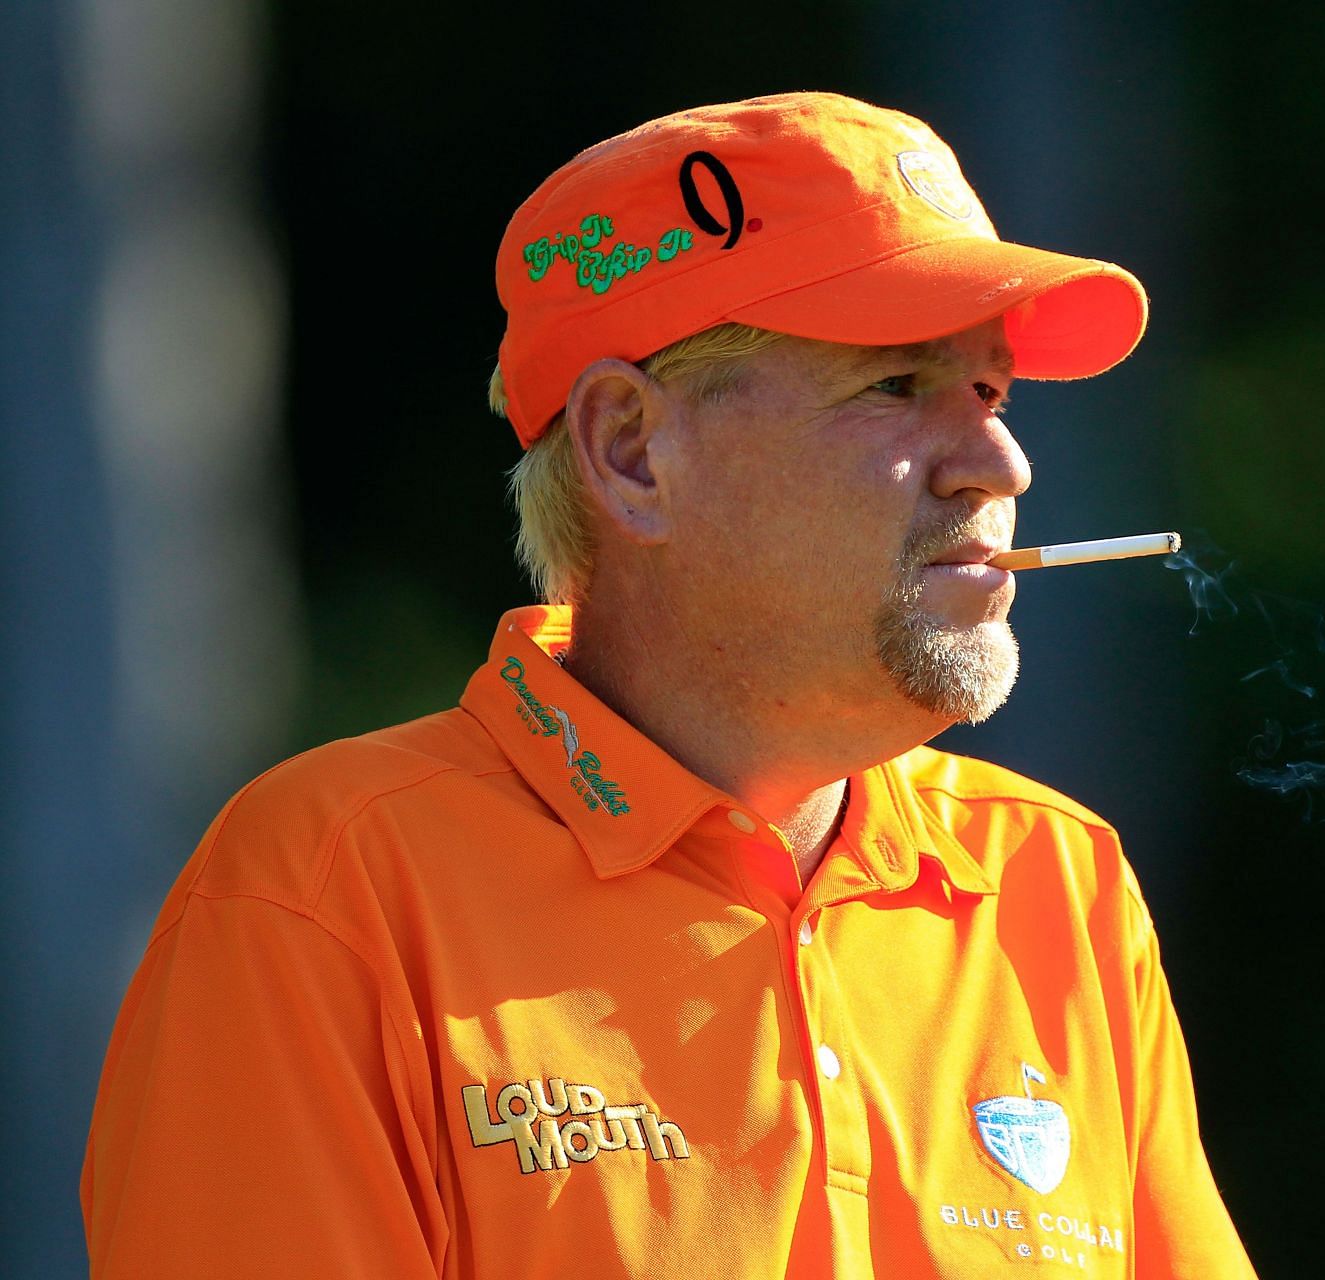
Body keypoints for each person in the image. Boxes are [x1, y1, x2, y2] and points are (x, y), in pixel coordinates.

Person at [81, 91, 1255, 1278]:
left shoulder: (1057, 881)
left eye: (991, 390)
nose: (1000, 462)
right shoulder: (330, 891)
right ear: (631, 449)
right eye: (898, 387)